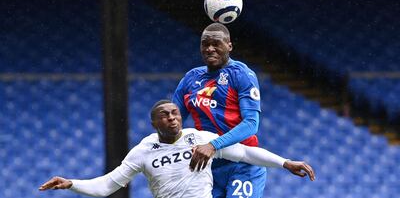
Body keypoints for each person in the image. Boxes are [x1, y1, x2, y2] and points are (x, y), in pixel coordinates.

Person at [39, 100, 315, 198]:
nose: (172, 117)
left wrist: (285, 163)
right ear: (153, 122)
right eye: (164, 114)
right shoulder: (143, 151)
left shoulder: (200, 139)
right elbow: (107, 186)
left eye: (174, 112)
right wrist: (71, 183)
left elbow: (244, 153)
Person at [173, 23, 269, 197]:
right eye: (205, 44)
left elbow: (251, 124)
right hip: (207, 167)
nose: (210, 49)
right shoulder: (190, 78)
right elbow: (173, 122)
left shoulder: (242, 75)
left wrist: (213, 145)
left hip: (243, 164)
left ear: (229, 46)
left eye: (216, 43)